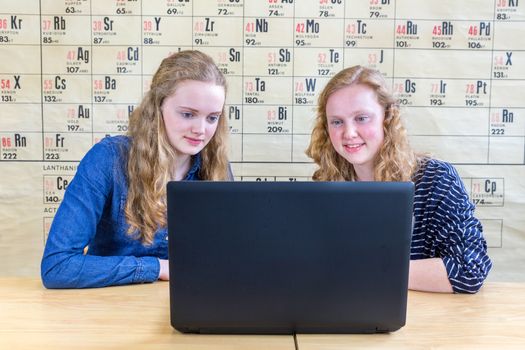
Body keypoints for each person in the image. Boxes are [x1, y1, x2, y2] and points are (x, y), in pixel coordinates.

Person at [41, 50, 232, 288]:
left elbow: (229, 259)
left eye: (212, 118)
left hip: (189, 306)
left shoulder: (216, 168)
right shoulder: (108, 160)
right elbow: (57, 266)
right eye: (187, 114)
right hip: (108, 309)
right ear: (157, 107)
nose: (201, 130)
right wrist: (158, 268)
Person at [306, 65, 492, 293]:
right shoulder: (325, 185)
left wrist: (366, 270)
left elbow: (469, 269)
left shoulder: (436, 180)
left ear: (387, 118)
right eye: (337, 122)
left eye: (361, 118)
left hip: (423, 323)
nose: (349, 133)